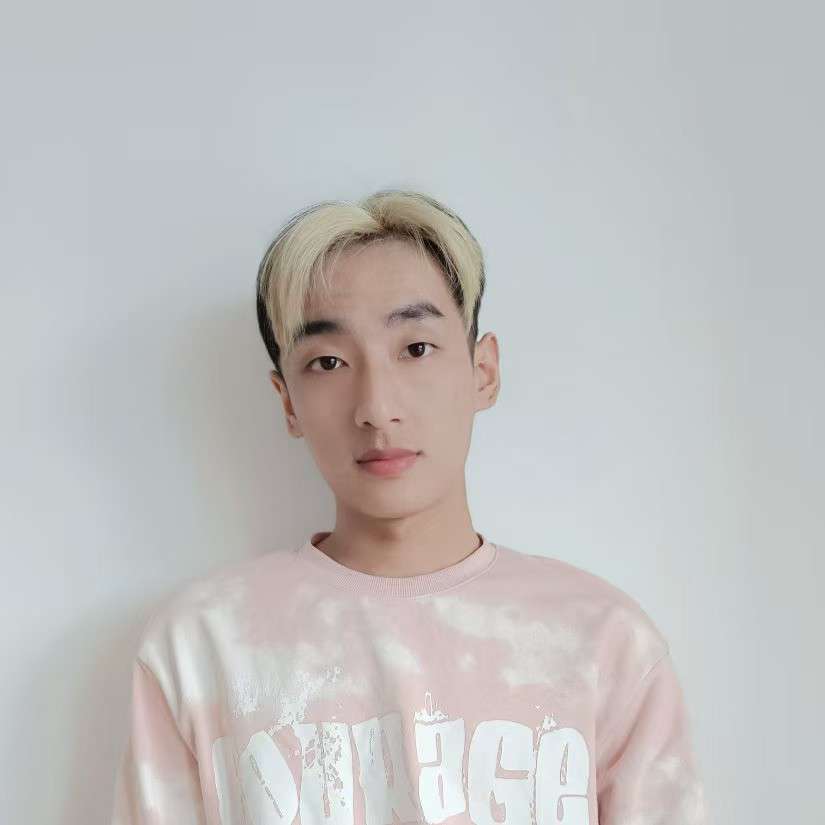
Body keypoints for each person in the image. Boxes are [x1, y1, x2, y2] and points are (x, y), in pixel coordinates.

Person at [110, 189, 709, 824]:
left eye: (415, 348)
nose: (376, 406)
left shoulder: (604, 643)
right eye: (329, 361)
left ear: (483, 371)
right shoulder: (201, 646)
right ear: (287, 402)